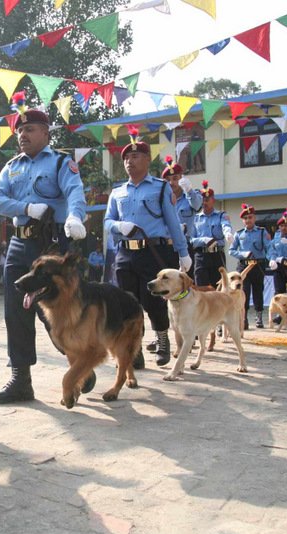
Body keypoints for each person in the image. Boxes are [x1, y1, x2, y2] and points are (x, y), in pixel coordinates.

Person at [0, 107, 88, 404]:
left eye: (29, 129)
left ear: (45, 133)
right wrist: (25, 209)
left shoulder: (60, 163)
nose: (23, 135)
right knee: (16, 311)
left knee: (56, 311)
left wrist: (75, 218)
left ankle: (78, 361)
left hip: (51, 245)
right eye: (20, 130)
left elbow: (75, 194)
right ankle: (21, 380)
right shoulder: (12, 167)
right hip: (20, 244)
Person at [104, 128, 190, 368]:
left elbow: (172, 221)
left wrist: (183, 253)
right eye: (126, 158)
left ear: (147, 159)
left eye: (135, 157)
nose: (129, 162)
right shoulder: (117, 192)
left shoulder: (160, 187)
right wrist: (120, 226)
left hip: (153, 251)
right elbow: (107, 222)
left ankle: (162, 340)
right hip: (125, 253)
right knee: (129, 303)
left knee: (154, 301)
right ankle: (135, 349)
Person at [229, 203, 271, 328]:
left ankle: (259, 317)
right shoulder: (239, 233)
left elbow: (268, 247)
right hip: (243, 266)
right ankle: (244, 318)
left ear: (255, 218)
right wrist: (243, 254)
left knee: (258, 290)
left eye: (250, 217)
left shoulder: (262, 232)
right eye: (245, 218)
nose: (248, 220)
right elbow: (231, 250)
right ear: (243, 220)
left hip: (258, 265)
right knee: (243, 292)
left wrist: (272, 259)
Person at [191, 181, 233, 289]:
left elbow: (225, 225)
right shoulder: (195, 218)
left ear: (213, 200)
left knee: (219, 287)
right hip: (201, 256)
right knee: (201, 288)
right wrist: (204, 240)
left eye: (207, 200)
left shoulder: (221, 215)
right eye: (202, 200)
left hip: (216, 255)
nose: (204, 203)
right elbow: (191, 239)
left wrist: (228, 233)